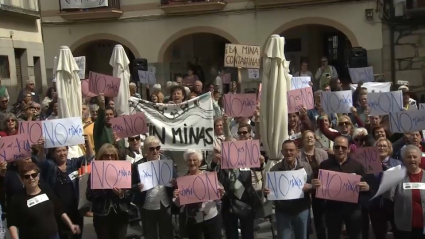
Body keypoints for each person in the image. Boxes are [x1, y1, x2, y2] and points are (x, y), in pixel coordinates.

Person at [312, 136, 371, 239]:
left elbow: (367, 183)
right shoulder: (325, 165)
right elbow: (316, 184)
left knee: (355, 235)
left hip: (353, 209)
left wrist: (367, 187)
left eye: (343, 147)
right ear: (333, 148)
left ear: (348, 149)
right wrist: (315, 184)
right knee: (333, 235)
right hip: (332, 209)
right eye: (337, 147)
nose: (340, 150)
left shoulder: (357, 165)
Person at [8, 162, 81, 239]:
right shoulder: (17, 199)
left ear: (38, 176)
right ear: (22, 180)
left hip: (53, 236)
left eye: (34, 175)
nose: (31, 178)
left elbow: (59, 209)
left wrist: (71, 225)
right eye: (27, 176)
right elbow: (12, 223)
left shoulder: (46, 190)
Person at [39, 138, 93, 239]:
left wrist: (88, 143)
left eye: (64, 150)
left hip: (75, 209)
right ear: (53, 153)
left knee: (77, 234)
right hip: (58, 212)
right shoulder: (50, 166)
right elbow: (41, 161)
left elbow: (89, 157)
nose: (62, 153)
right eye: (58, 151)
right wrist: (42, 147)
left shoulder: (73, 163)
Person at [264, 140, 314, 239]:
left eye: (291, 150)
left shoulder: (306, 167)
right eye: (286, 150)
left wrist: (310, 186)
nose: (288, 153)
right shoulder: (275, 169)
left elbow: (313, 185)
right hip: (283, 211)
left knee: (302, 236)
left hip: (302, 209)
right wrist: (266, 192)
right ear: (282, 152)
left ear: (297, 151)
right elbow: (269, 192)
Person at [131, 136, 177, 239]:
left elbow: (176, 179)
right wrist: (137, 187)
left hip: (164, 204)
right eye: (151, 149)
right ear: (146, 150)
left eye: (157, 148)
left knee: (167, 233)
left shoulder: (167, 161)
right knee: (150, 234)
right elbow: (130, 186)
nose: (155, 151)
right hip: (147, 205)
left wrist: (174, 183)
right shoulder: (138, 165)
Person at [173, 149, 224, 239]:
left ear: (200, 162)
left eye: (194, 160)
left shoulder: (209, 176)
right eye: (189, 160)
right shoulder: (183, 181)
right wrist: (177, 198)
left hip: (211, 217)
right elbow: (178, 204)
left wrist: (221, 193)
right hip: (194, 220)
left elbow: (220, 195)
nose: (192, 163)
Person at [86, 144, 133, 239]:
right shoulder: (95, 172)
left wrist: (121, 195)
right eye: (107, 155)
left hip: (121, 214)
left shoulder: (122, 170)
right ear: (101, 157)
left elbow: (130, 194)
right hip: (102, 215)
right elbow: (89, 195)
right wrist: (107, 191)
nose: (110, 158)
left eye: (112, 155)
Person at [391, 145, 425, 239]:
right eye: (409, 157)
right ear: (404, 159)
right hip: (403, 226)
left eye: (415, 157)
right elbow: (390, 198)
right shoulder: (397, 177)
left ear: (420, 159)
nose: (412, 159)